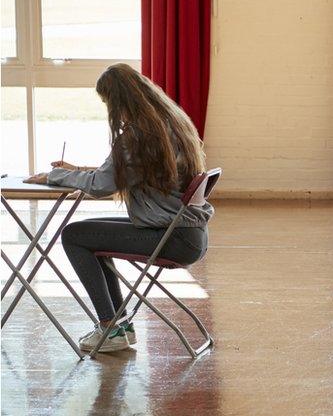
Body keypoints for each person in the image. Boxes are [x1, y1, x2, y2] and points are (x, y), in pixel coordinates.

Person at [25, 63, 213, 353]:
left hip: (171, 238)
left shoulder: (139, 136)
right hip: (187, 234)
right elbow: (128, 172)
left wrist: (54, 176)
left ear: (119, 101)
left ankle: (110, 327)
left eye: (107, 103)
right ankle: (119, 326)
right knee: (91, 236)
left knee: (75, 235)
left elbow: (102, 185)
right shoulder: (171, 121)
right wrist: (78, 170)